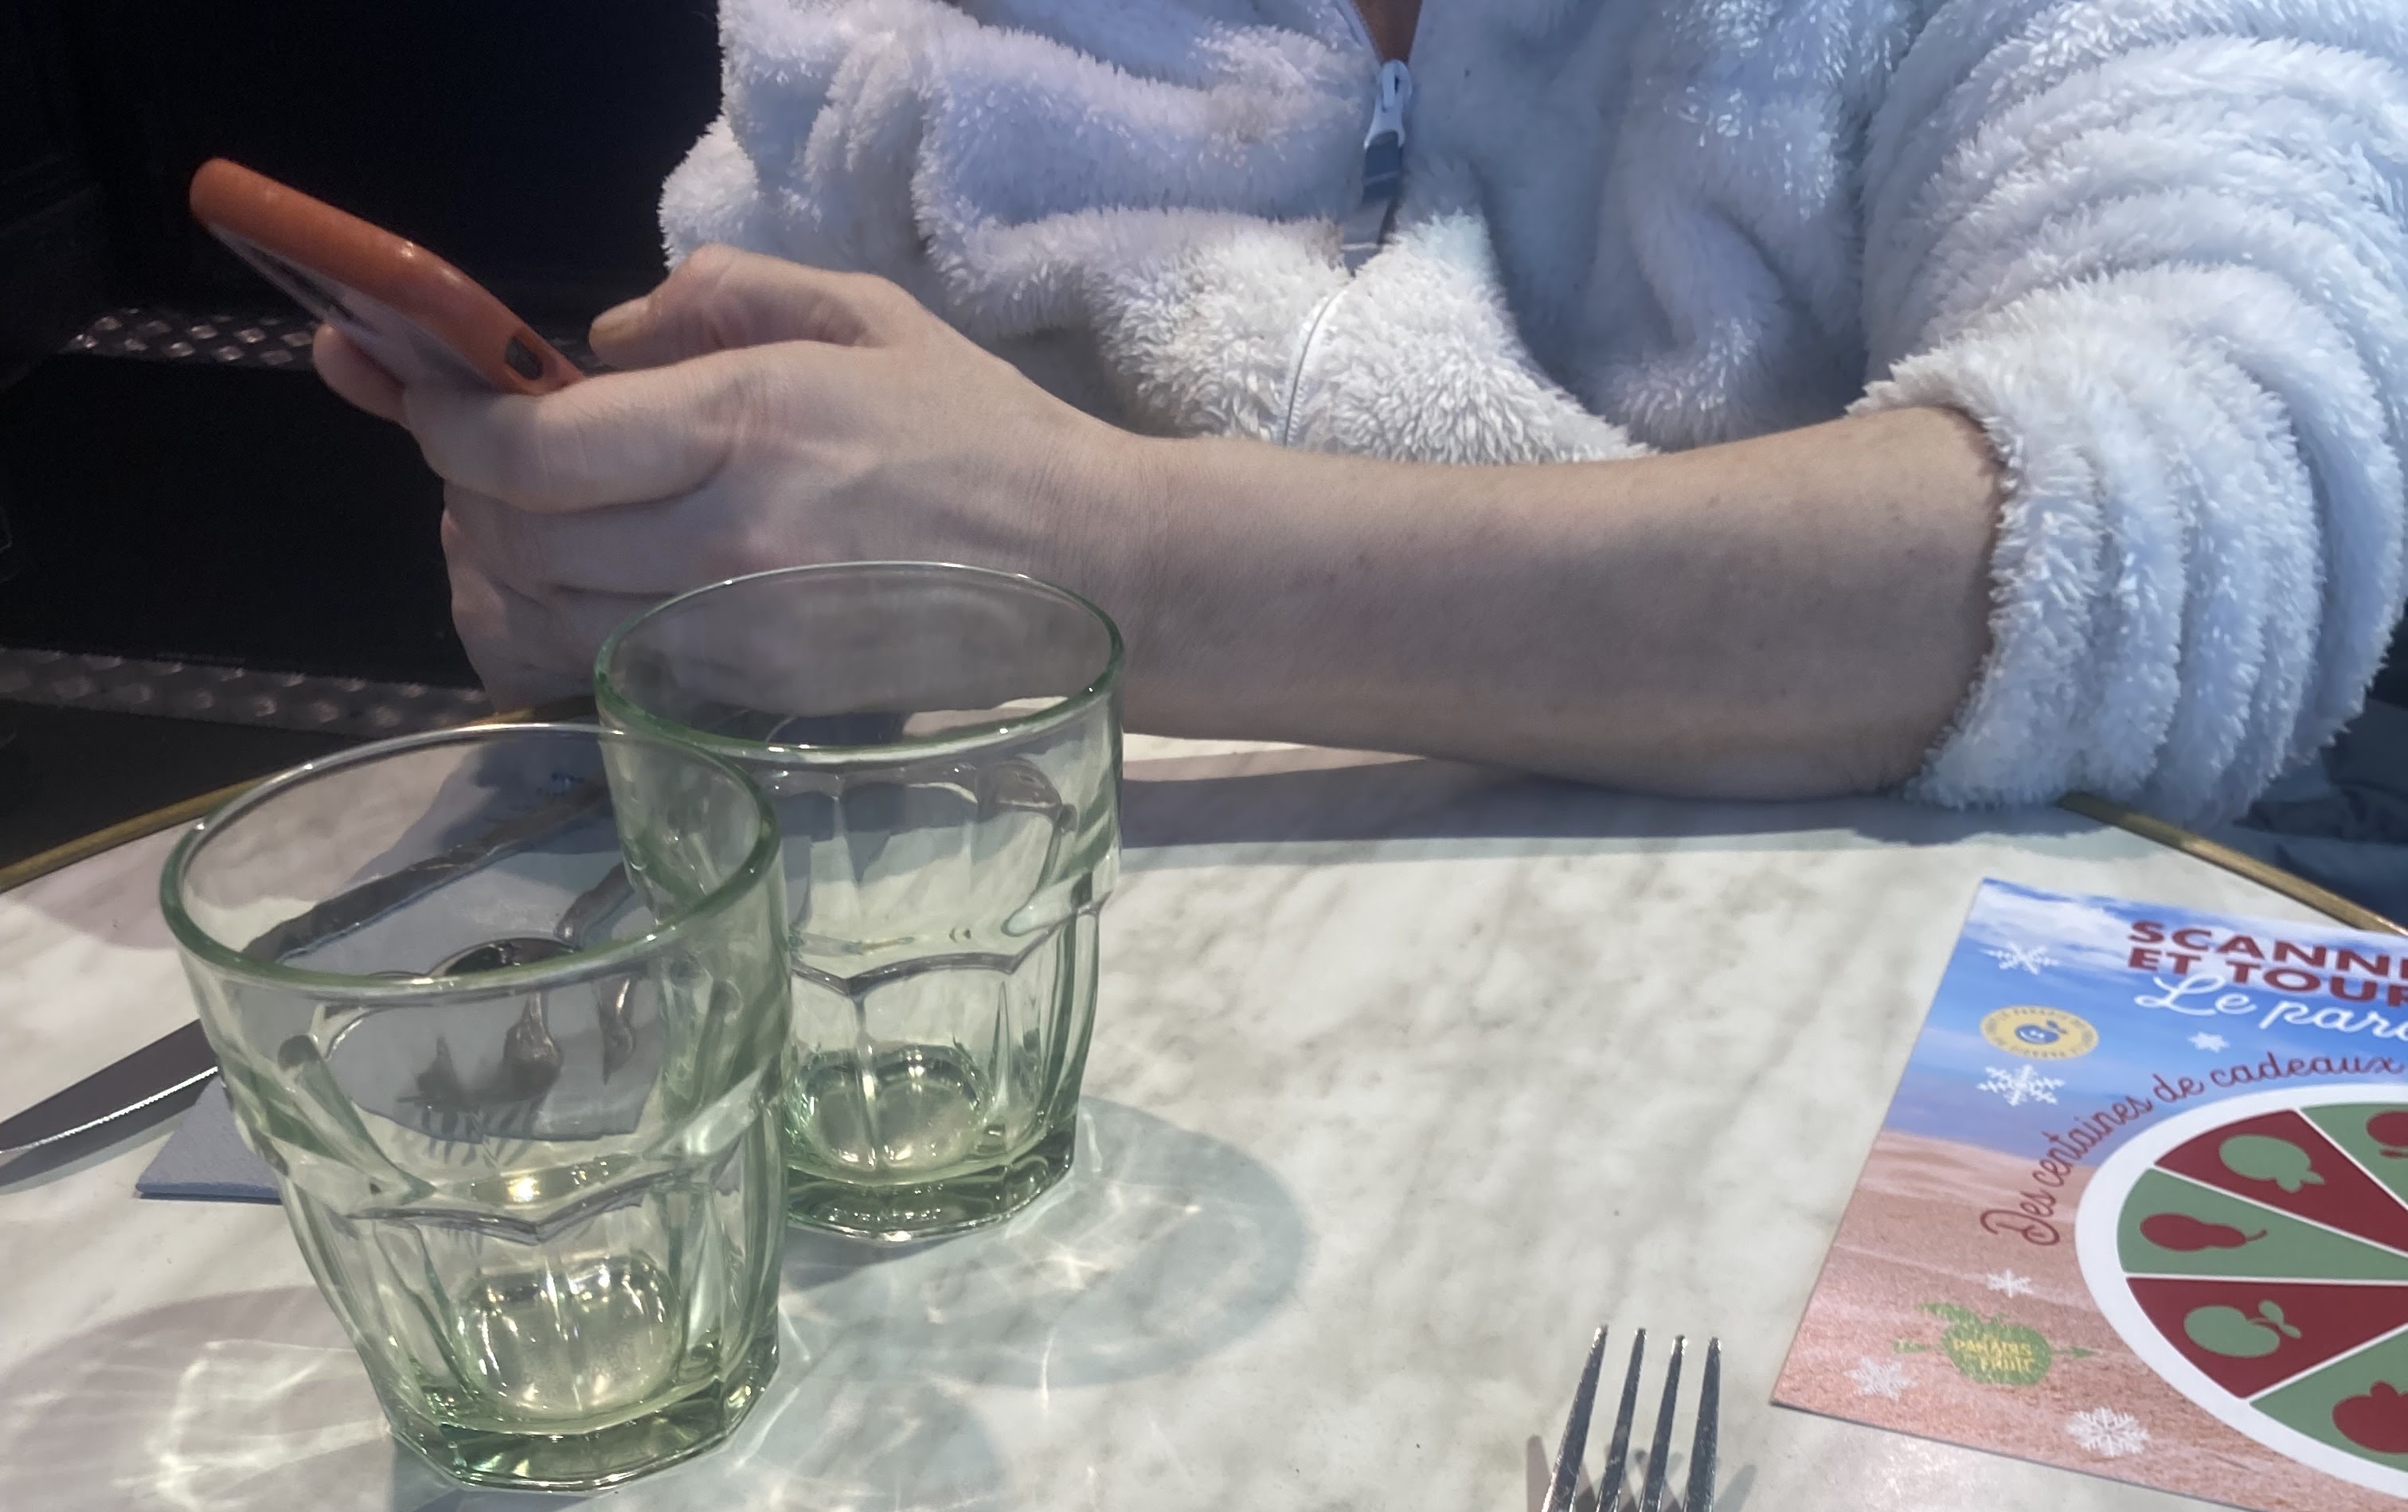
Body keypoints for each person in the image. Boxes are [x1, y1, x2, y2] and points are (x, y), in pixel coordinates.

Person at [317, 0, 2408, 822]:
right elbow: (783, 493)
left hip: (1811, 1125)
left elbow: (2224, 525)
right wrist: (618, 568)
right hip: (1049, 1129)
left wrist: (1100, 570)